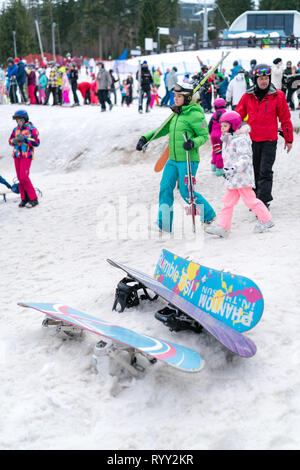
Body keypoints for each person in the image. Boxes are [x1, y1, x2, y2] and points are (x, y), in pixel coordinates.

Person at [136, 82, 216, 232]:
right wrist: (146, 138)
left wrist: (193, 143)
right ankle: (164, 224)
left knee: (186, 192)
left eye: (179, 96)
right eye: (174, 96)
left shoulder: (195, 114)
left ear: (187, 98)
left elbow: (204, 136)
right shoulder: (176, 114)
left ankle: (209, 216)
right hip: (172, 160)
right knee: (165, 187)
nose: (175, 98)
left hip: (188, 160)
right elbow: (162, 129)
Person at [205, 111, 274, 238]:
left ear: (233, 125)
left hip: (242, 178)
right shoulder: (231, 138)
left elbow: (245, 158)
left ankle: (266, 220)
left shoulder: (241, 139)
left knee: (250, 200)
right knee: (227, 202)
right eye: (221, 126)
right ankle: (223, 227)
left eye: (225, 126)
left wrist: (233, 169)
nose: (222, 129)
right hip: (233, 179)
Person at [235, 64, 293, 208]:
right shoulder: (247, 96)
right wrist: (229, 128)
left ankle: (263, 201)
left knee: (265, 171)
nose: (264, 81)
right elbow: (237, 115)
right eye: (261, 78)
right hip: (251, 140)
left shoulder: (278, 95)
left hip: (269, 140)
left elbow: (285, 119)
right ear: (256, 79)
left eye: (266, 78)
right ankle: (255, 198)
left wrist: (288, 138)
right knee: (253, 170)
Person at [8, 110, 40, 208]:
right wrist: (14, 141)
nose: (18, 122)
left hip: (26, 155)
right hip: (17, 155)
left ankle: (33, 198)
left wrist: (25, 139)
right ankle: (24, 198)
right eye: (17, 120)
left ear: (25, 119)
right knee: (20, 178)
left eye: (20, 120)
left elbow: (36, 142)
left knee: (23, 177)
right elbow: (10, 141)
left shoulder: (32, 129)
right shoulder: (15, 129)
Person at [208, 98, 227, 176]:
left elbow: (210, 125)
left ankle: (213, 165)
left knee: (215, 149)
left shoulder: (214, 114)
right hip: (221, 135)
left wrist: (210, 133)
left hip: (213, 135)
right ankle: (219, 169)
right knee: (220, 152)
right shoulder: (225, 113)